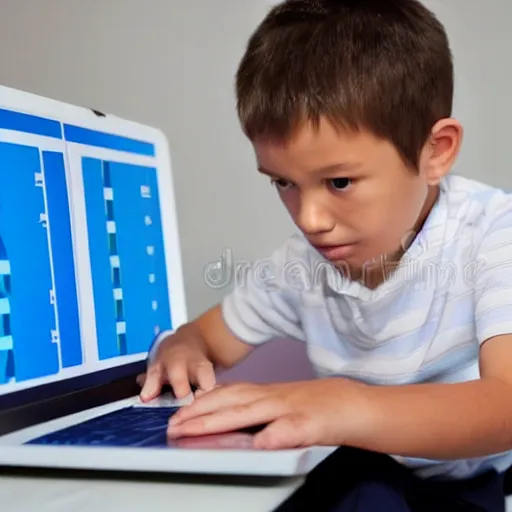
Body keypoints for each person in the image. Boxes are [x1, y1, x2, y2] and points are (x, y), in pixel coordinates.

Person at [139, 0, 512, 510]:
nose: (309, 219)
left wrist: (346, 403)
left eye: (340, 182)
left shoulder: (493, 233)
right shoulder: (301, 265)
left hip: (463, 485)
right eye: (285, 183)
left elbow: (506, 406)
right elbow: (206, 338)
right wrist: (181, 347)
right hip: (355, 468)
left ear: (436, 152)